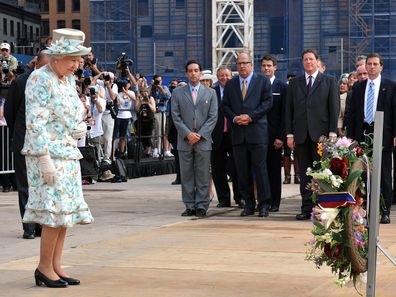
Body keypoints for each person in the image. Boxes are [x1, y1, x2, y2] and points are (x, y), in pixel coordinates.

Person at [22, 28, 94, 288]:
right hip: (48, 154)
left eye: (79, 60)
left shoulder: (66, 80)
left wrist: (79, 127)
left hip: (67, 151)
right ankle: (43, 267)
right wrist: (43, 157)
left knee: (64, 214)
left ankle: (55, 265)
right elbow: (35, 122)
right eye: (73, 59)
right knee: (53, 213)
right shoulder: (40, 78)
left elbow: (72, 111)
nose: (77, 65)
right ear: (57, 57)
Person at [285, 48, 339, 220]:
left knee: (322, 173)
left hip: (321, 135)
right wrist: (289, 134)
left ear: (317, 61)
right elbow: (289, 111)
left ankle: (321, 207)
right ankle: (306, 207)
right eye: (305, 59)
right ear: (302, 62)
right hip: (301, 135)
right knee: (305, 174)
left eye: (311, 59)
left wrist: (332, 132)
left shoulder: (329, 81)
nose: (308, 62)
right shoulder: (294, 83)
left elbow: (334, 108)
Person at [4, 49, 49, 239]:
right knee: (25, 185)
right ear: (36, 63)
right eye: (46, 64)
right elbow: (10, 111)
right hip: (23, 140)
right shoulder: (21, 81)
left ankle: (40, 226)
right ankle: (28, 227)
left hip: (45, 143)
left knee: (42, 186)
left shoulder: (51, 83)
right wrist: (18, 133)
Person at [222, 52, 273, 218]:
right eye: (239, 64)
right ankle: (248, 204)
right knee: (242, 172)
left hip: (257, 133)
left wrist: (251, 117)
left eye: (245, 63)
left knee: (260, 170)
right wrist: (235, 117)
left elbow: (267, 103)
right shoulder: (230, 85)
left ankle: (264, 204)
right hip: (238, 134)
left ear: (251, 64)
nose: (242, 66)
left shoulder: (262, 81)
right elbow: (225, 106)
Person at [348, 53, 396, 224]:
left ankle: (385, 210)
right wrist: (351, 138)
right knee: (365, 174)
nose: (372, 67)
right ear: (365, 66)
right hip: (363, 133)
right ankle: (368, 209)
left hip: (383, 133)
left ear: (381, 66)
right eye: (369, 64)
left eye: (376, 64)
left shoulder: (390, 86)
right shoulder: (359, 88)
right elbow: (351, 115)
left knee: (383, 174)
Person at [171, 60, 218, 217]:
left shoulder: (210, 93)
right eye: (190, 71)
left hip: (203, 140)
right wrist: (188, 134)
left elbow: (213, 117)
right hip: (185, 140)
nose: (193, 73)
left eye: (196, 70)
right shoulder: (178, 93)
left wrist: (200, 134)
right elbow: (175, 116)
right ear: (186, 73)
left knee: (203, 173)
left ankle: (202, 205)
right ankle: (189, 204)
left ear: (200, 72)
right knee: (187, 174)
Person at [211, 66, 242, 208]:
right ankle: (223, 198)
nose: (224, 78)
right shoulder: (212, 92)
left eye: (227, 75)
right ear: (217, 77)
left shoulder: (238, 91)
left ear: (232, 76)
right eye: (221, 75)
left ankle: (240, 197)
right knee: (218, 169)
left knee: (237, 167)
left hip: (234, 134)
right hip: (217, 135)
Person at [260, 54, 287, 212]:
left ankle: (274, 202)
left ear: (275, 67)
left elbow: (284, 114)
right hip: (258, 136)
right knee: (259, 170)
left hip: (274, 136)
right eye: (264, 66)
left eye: (269, 65)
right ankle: (263, 200)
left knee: (274, 171)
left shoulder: (282, 87)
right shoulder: (256, 85)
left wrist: (280, 136)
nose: (266, 68)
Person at [149, 74, 171, 157]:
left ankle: (162, 150)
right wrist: (151, 86)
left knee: (162, 131)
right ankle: (155, 149)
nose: (158, 82)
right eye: (157, 80)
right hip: (152, 112)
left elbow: (168, 96)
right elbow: (146, 94)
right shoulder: (151, 88)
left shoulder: (164, 87)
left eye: (160, 80)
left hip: (161, 112)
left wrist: (160, 88)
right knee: (154, 131)